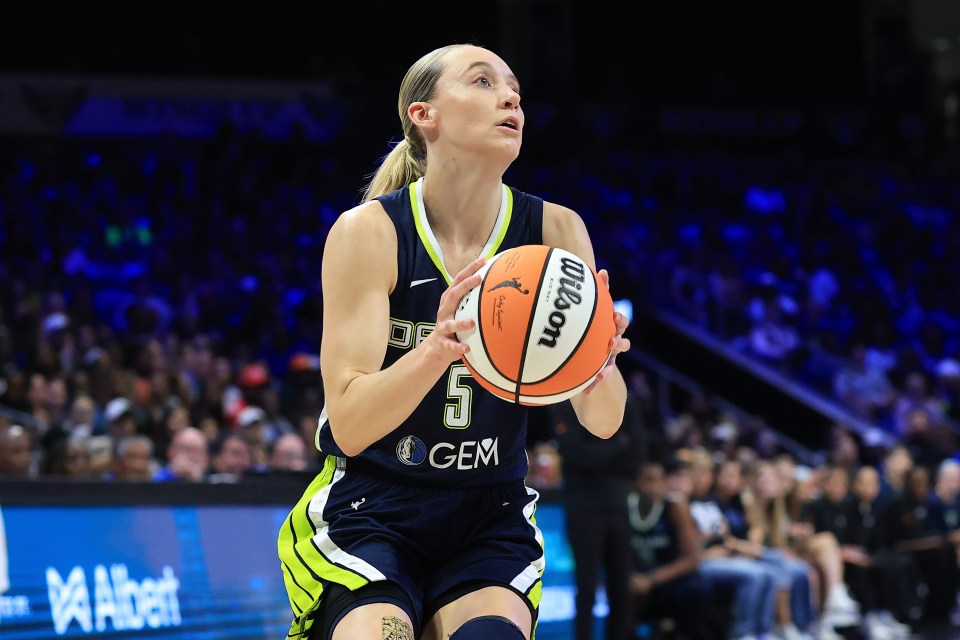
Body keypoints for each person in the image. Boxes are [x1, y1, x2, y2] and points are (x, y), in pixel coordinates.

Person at [277, 43, 629, 640]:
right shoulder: (370, 232)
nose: (511, 96)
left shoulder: (555, 230)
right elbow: (353, 424)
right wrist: (439, 348)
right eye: (483, 81)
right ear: (424, 115)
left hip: (488, 509)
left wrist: (592, 363)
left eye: (514, 86)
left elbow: (604, 422)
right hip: (373, 506)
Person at [549, 392, 643, 640]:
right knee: (586, 585)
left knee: (621, 586)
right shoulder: (564, 400)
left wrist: (597, 453)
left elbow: (636, 459)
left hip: (617, 505)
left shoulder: (625, 402)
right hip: (583, 506)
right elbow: (575, 453)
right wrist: (617, 445)